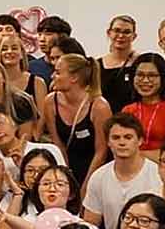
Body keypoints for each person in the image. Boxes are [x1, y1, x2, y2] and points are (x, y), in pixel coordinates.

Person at [81, 113, 162, 229]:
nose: (122, 142)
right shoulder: (99, 177)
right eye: (116, 138)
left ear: (140, 140)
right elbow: (90, 226)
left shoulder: (158, 175)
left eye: (128, 137)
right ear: (108, 142)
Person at [41, 54, 112, 189]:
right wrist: (66, 179)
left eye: (57, 72)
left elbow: (101, 152)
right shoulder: (50, 101)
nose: (52, 77)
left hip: (94, 170)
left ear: (74, 78)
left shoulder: (99, 106)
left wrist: (86, 187)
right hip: (66, 168)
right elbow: (57, 144)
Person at [122, 53, 165, 159]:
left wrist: (137, 155)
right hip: (131, 170)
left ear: (163, 78)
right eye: (140, 75)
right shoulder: (127, 110)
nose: (145, 80)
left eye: (152, 76)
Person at [97, 14, 139, 112]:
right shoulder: (97, 65)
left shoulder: (140, 63)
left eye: (127, 32)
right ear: (109, 33)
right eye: (117, 30)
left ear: (134, 36)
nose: (121, 36)